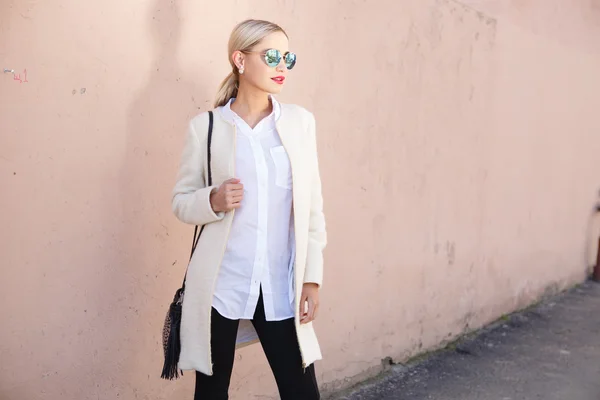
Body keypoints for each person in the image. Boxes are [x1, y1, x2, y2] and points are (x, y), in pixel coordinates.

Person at [171, 19, 327, 399]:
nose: (281, 66)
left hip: (279, 284)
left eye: (287, 57)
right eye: (271, 55)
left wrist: (312, 278)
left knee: (301, 391)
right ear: (240, 60)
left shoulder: (299, 123)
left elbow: (312, 209)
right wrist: (213, 200)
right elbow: (181, 201)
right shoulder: (206, 128)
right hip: (221, 284)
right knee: (210, 392)